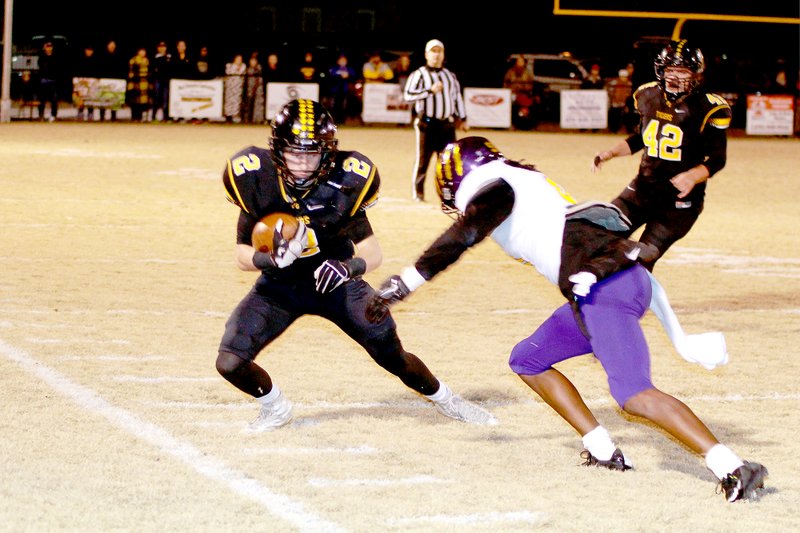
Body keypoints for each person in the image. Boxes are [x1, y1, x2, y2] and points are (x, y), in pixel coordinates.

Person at [366, 136, 768, 502]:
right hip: (604, 284)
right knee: (527, 359)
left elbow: (465, 234)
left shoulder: (498, 186)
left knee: (635, 395)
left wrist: (407, 281)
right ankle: (602, 449)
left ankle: (733, 466)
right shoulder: (520, 180)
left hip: (603, 287)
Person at [216, 99, 496, 432]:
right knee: (230, 361)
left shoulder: (345, 180)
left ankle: (446, 398)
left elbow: (372, 253)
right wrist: (269, 258)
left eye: (312, 153)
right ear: (277, 149)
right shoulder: (254, 178)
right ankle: (275, 407)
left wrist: (348, 268)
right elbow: (241, 255)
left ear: (328, 151)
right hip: (280, 287)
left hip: (337, 286)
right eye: (295, 152)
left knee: (393, 356)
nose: (304, 163)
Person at [591, 39, 731, 270]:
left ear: (695, 74)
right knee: (600, 237)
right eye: (670, 70)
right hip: (642, 189)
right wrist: (610, 153)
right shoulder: (647, 95)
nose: (675, 76)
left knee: (639, 259)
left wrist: (693, 175)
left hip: (678, 202)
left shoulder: (709, 107)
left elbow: (718, 158)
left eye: (682, 71)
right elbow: (640, 138)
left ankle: (629, 302)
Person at [403, 39, 468, 202]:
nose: (436, 55)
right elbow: (408, 96)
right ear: (426, 54)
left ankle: (448, 195)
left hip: (447, 125)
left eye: (439, 51)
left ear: (443, 55)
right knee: (423, 161)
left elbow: (457, 98)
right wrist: (429, 91)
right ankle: (418, 193)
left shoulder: (450, 76)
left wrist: (463, 118)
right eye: (433, 51)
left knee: (449, 163)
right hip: (427, 124)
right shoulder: (419, 74)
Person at [503, 55, 535, 130]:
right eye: (518, 61)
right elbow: (505, 84)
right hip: (512, 94)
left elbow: (531, 85)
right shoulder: (511, 72)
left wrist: (523, 88)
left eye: (521, 61)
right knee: (509, 104)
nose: (520, 63)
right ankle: (510, 124)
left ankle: (527, 126)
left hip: (524, 94)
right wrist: (511, 89)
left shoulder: (527, 73)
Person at [97, 40, 127, 122]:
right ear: (107, 46)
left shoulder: (119, 56)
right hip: (104, 80)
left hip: (115, 81)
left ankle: (113, 116)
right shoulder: (102, 56)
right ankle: (102, 116)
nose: (112, 47)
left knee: (114, 99)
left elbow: (121, 68)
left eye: (113, 45)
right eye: (110, 45)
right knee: (103, 99)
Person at [326, 53, 358, 125]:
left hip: (345, 90)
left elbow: (354, 78)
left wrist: (348, 76)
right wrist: (340, 76)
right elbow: (330, 78)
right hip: (335, 90)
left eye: (344, 60)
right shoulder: (334, 68)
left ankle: (342, 120)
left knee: (344, 106)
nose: (343, 61)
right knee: (334, 106)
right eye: (341, 60)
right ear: (338, 61)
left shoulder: (349, 69)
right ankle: (333, 121)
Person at [36, 41, 63, 122]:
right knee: (42, 100)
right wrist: (42, 50)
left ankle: (53, 115)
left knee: (54, 100)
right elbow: (39, 64)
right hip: (43, 81)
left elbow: (58, 69)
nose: (49, 48)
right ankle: (41, 115)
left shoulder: (56, 57)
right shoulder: (42, 57)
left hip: (53, 81)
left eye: (50, 47)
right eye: (47, 47)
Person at [126, 47, 152, 122]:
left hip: (144, 84)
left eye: (144, 51)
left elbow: (149, 73)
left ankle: (141, 117)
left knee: (143, 102)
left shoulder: (147, 61)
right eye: (141, 51)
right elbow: (130, 72)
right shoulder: (133, 60)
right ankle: (134, 117)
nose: (142, 53)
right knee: (134, 101)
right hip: (135, 83)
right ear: (138, 52)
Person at [74, 44, 99, 121]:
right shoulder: (80, 60)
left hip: (91, 83)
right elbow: (77, 71)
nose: (89, 52)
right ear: (85, 51)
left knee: (90, 98)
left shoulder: (96, 61)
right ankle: (80, 112)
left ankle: (90, 113)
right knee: (81, 98)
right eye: (87, 50)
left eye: (90, 50)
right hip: (82, 83)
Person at [151, 41, 172, 122]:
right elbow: (153, 70)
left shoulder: (169, 57)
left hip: (166, 81)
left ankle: (165, 117)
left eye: (164, 46)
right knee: (156, 99)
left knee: (166, 99)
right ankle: (153, 116)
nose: (162, 48)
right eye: (160, 46)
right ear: (157, 48)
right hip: (157, 81)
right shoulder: (155, 57)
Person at [242, 53, 265, 124]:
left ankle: (257, 119)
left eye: (254, 60)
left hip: (258, 91)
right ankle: (247, 119)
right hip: (249, 90)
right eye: (251, 61)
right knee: (248, 105)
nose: (253, 62)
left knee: (258, 105)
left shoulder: (260, 68)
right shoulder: (247, 70)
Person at [223, 53, 246, 123]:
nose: (239, 60)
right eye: (238, 59)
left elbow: (242, 74)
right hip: (230, 88)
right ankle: (228, 116)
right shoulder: (229, 65)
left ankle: (235, 116)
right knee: (229, 102)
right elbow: (229, 72)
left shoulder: (243, 66)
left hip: (238, 88)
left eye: (240, 59)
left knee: (237, 102)